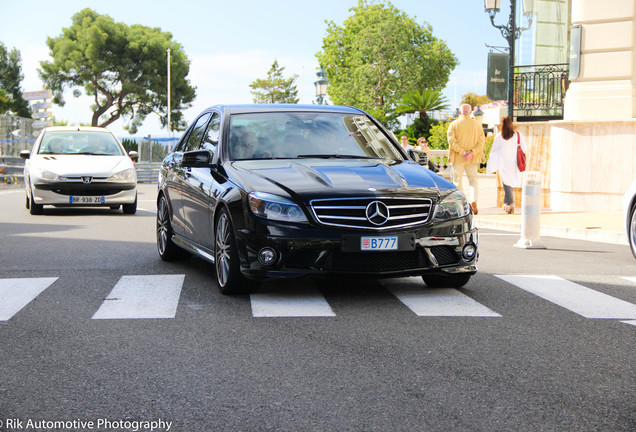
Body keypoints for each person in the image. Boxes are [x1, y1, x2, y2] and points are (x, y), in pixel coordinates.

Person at [447, 104, 485, 214]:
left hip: (458, 158)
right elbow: (481, 141)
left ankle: (461, 204)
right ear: (471, 112)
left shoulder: (453, 124)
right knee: (473, 181)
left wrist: (462, 152)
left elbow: (452, 141)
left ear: (460, 112)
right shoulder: (477, 125)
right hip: (472, 158)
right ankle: (473, 200)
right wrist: (472, 152)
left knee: (457, 182)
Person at [486, 116, 526, 214]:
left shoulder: (499, 136)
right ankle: (506, 203)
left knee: (506, 183)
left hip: (503, 162)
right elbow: (524, 148)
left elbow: (494, 150)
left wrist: (491, 162)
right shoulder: (518, 135)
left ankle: (511, 203)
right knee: (510, 183)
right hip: (514, 162)